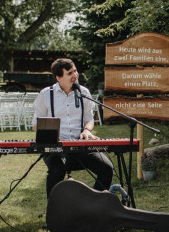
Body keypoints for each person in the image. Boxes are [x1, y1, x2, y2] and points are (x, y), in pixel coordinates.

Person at [32, 58, 114, 196]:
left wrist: (87, 130)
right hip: (55, 148)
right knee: (57, 168)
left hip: (80, 146)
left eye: (75, 71)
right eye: (70, 73)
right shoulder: (46, 94)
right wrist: (50, 134)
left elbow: (89, 119)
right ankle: (54, 211)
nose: (75, 75)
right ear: (58, 77)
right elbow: (36, 124)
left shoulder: (84, 93)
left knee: (107, 168)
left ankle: (92, 206)